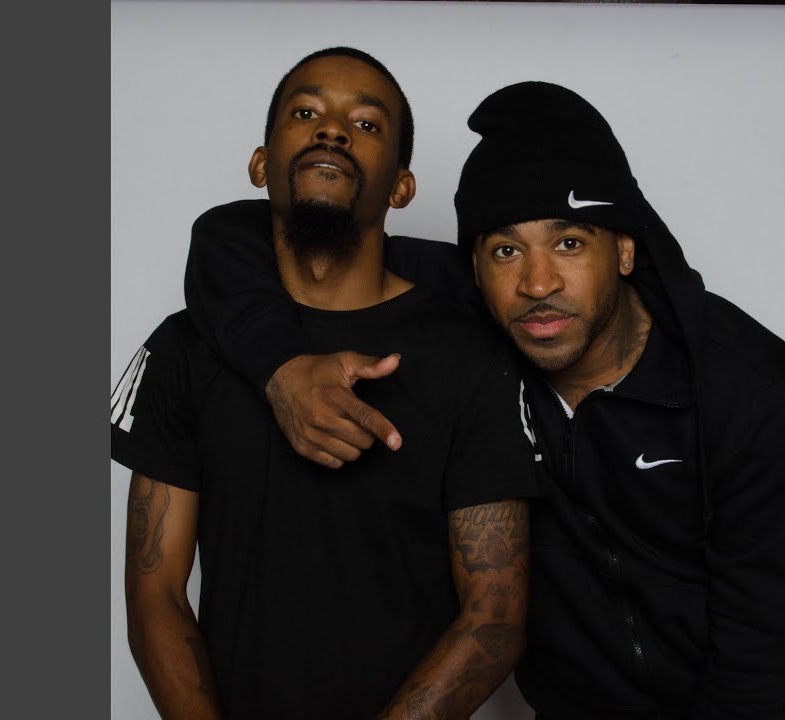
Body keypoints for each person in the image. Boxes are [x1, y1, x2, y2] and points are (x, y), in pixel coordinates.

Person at [185, 81, 785, 718]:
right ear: (474, 268)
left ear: (625, 248)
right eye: (505, 250)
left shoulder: (744, 384)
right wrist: (280, 367)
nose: (537, 283)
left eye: (569, 243)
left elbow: (762, 649)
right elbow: (236, 236)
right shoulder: (479, 326)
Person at [111, 47, 540, 720]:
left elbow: (495, 614)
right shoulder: (184, 348)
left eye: (366, 124)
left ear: (402, 186)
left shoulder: (469, 353)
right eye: (306, 113)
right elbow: (154, 590)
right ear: (260, 164)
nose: (333, 130)